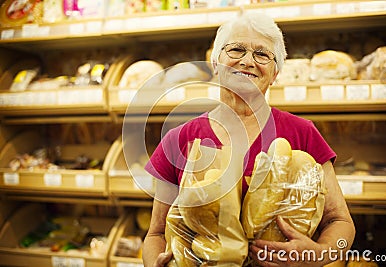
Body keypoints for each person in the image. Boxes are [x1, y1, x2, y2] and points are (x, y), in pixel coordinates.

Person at [141, 12, 355, 267]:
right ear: (215, 63)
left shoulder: (302, 132)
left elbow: (340, 222)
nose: (247, 61)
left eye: (262, 54)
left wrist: (320, 253)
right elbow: (155, 233)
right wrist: (155, 262)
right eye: (236, 50)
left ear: (275, 73)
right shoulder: (180, 138)